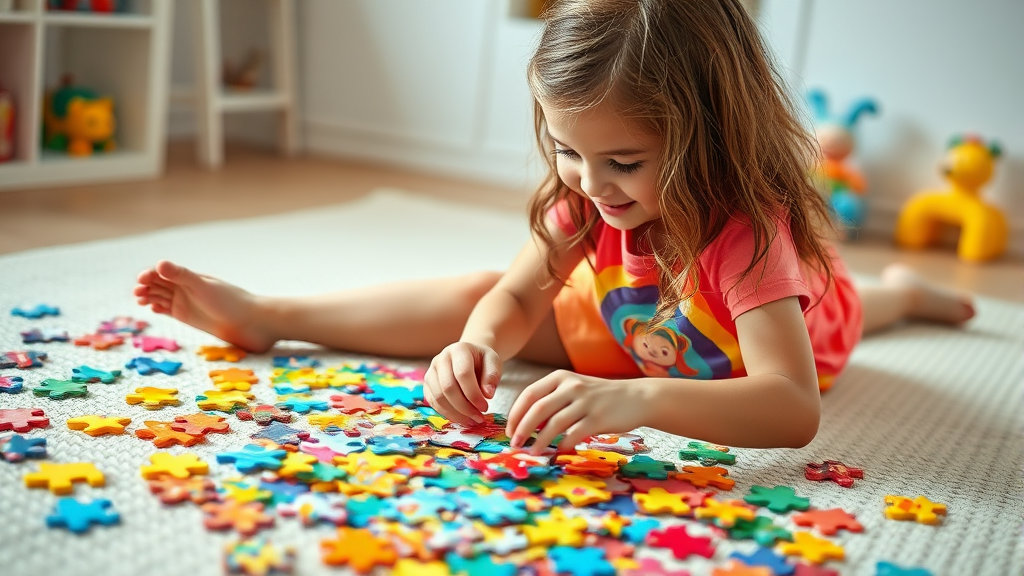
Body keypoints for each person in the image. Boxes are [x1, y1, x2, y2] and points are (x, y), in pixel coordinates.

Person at [135, 0, 974, 453]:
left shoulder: (749, 237)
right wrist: (478, 346)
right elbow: (509, 293)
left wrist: (637, 400)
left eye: (624, 161)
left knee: (854, 306)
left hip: (747, 350)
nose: (588, 182)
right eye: (569, 150)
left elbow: (791, 408)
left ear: (709, 133)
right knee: (482, 295)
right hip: (637, 327)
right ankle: (271, 315)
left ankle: (903, 293)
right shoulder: (586, 194)